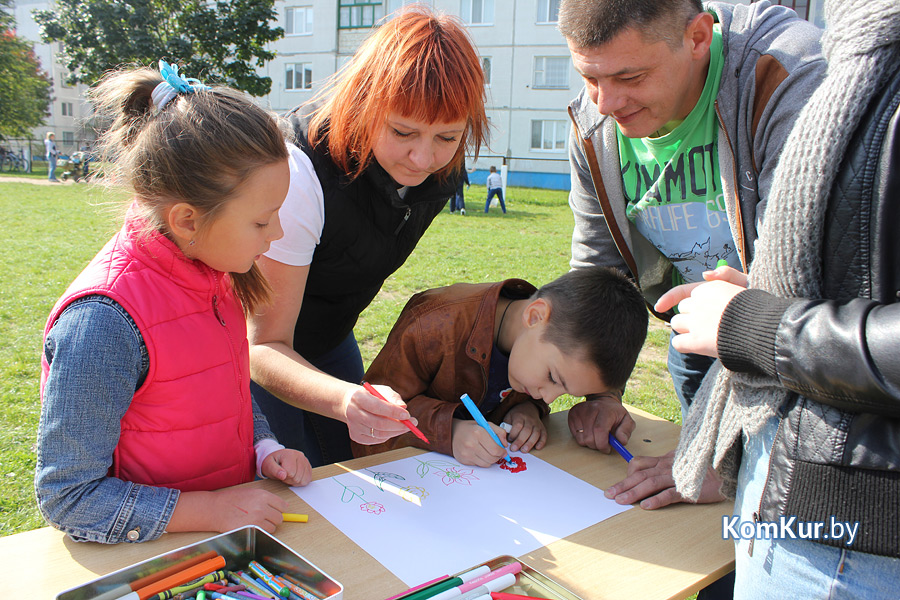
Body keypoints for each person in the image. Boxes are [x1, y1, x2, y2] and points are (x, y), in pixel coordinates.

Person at [656, 0, 900, 594]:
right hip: (808, 491)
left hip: (853, 538)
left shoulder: (828, 65)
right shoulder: (860, 50)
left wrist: (756, 325)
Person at [34, 61, 313, 544]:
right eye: (263, 222)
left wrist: (262, 446)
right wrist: (210, 510)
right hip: (151, 559)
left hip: (219, 541)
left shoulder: (213, 273)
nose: (279, 235)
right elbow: (70, 497)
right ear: (186, 219)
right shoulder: (102, 322)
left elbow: (218, 390)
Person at [557, 0, 824, 482]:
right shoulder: (593, 120)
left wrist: (716, 465)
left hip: (791, 346)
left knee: (763, 490)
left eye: (629, 77)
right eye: (590, 78)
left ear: (698, 38)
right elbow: (600, 267)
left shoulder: (783, 76)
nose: (604, 104)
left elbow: (802, 281)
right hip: (693, 333)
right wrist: (602, 391)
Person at [248, 6, 489, 467]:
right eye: (403, 131)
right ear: (365, 102)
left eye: (448, 137)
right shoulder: (300, 173)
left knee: (356, 467)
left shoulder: (440, 165)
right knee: (291, 480)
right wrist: (341, 400)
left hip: (331, 334)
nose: (423, 158)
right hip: (252, 355)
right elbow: (261, 344)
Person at [354, 266, 648, 466]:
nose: (548, 397)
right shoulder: (433, 324)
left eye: (563, 393)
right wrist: (450, 432)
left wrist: (528, 409)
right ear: (535, 316)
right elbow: (369, 420)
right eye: (553, 378)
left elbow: (526, 395)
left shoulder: (537, 349)